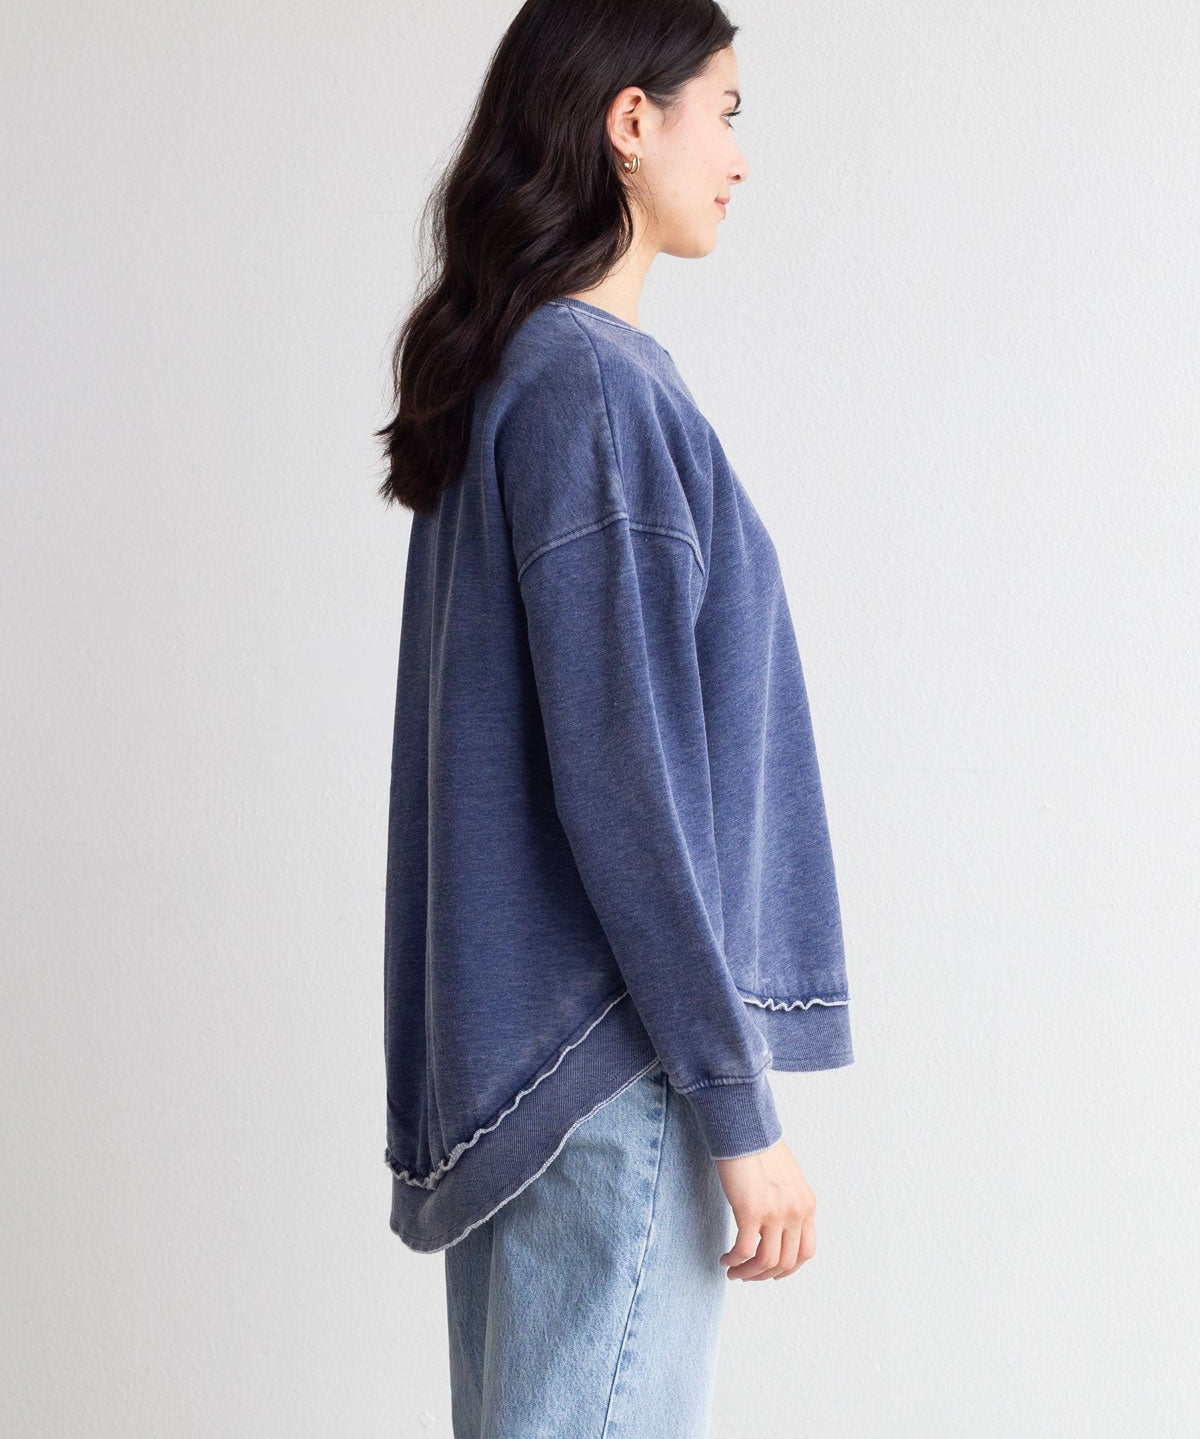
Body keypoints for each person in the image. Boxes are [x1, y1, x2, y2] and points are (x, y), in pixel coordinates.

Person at [374, 3, 854, 1433]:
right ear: (631, 122)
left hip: (544, 1078)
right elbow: (628, 786)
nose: (741, 158)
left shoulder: (525, 378)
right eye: (727, 112)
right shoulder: (589, 388)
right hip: (611, 1072)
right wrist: (736, 1108)